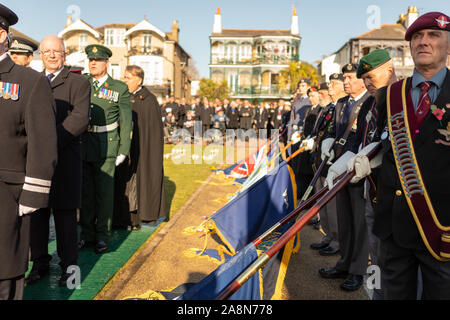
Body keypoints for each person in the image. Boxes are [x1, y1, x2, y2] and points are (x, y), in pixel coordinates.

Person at [348, 12, 450, 299]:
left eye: (433, 35)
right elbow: (386, 145)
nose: (424, 42)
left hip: (442, 228)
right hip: (394, 227)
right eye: (417, 36)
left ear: (448, 44)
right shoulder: (391, 95)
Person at [0, 4, 57, 300]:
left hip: (6, 196)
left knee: (4, 274)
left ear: (1, 34)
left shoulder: (30, 82)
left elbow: (43, 142)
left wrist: (33, 193)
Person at [26, 35, 90, 287]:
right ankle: (39, 263)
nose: (52, 55)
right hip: (36, 162)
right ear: (41, 55)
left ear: (65, 55)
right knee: (37, 215)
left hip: (65, 161)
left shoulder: (78, 82)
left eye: (57, 51)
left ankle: (69, 269)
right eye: (47, 51)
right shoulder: (32, 82)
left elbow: (79, 119)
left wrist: (48, 144)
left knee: (65, 219)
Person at [319, 63, 371, 291]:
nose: (346, 81)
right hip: (339, 167)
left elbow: (363, 137)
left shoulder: (368, 101)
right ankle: (344, 263)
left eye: (350, 77)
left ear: (361, 80)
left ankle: (357, 270)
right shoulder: (342, 103)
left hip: (357, 168)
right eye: (345, 77)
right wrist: (327, 140)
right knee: (345, 219)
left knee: (359, 223)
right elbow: (334, 130)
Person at [79, 44, 132, 254]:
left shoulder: (119, 88)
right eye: (91, 60)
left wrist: (123, 150)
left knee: (104, 194)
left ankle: (102, 236)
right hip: (84, 144)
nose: (93, 63)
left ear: (106, 63)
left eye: (98, 60)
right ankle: (86, 234)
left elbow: (126, 122)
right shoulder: (82, 82)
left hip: (107, 145)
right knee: (86, 194)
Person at [116, 65, 167, 229]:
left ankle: (145, 215)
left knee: (142, 181)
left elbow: (152, 131)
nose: (124, 80)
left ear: (138, 80)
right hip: (126, 148)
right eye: (124, 77)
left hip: (143, 149)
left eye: (128, 77)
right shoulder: (125, 97)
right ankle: (126, 216)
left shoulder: (148, 100)